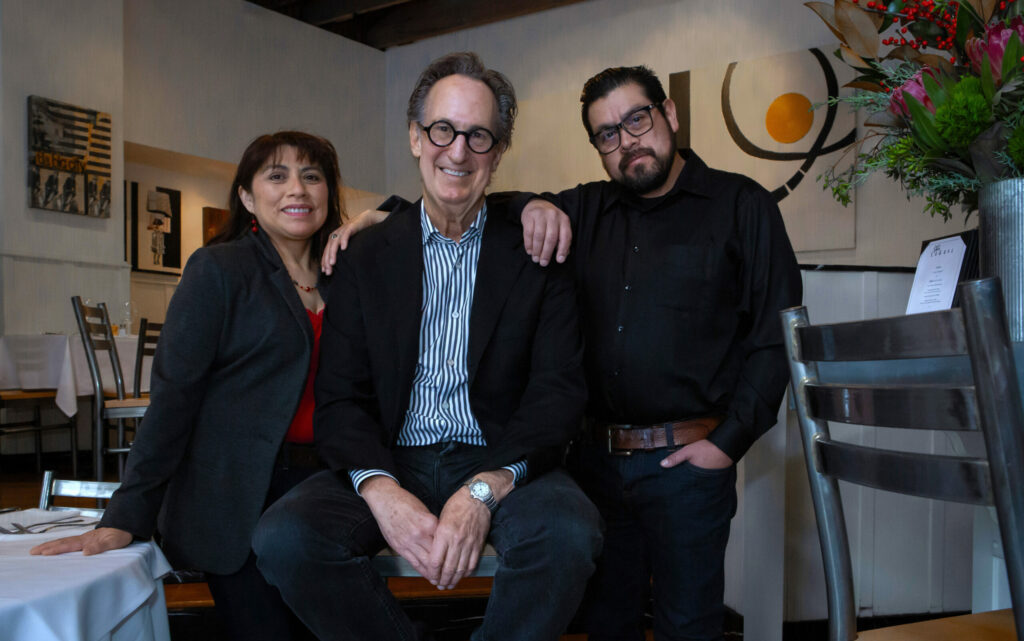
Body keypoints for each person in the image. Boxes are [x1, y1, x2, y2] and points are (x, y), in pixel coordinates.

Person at [326, 64, 803, 641]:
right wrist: (392, 214)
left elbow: (778, 333)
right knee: (605, 621)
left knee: (689, 623)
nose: (626, 140)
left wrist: (729, 443)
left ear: (669, 114)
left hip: (686, 461)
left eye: (637, 119)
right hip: (595, 461)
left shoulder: (741, 204)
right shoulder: (584, 209)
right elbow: (469, 193)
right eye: (606, 133)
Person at [253, 52, 602, 641]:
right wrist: (383, 491)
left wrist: (485, 488)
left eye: (479, 135)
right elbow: (340, 398)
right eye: (442, 130)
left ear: (497, 152)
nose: (458, 151)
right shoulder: (363, 257)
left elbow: (558, 393)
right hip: (393, 454)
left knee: (569, 535)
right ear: (416, 138)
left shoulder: (538, 251)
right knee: (285, 537)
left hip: (501, 454)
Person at [32, 130, 344, 641]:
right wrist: (128, 514)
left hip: (320, 494)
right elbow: (174, 397)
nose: (298, 190)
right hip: (235, 499)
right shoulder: (219, 268)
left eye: (313, 177)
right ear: (246, 196)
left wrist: (378, 218)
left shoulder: (343, 275)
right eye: (277, 176)